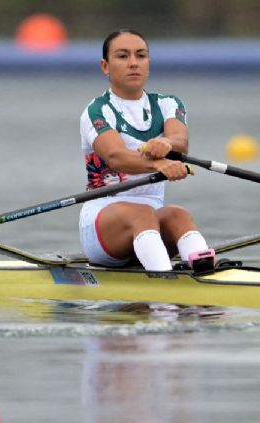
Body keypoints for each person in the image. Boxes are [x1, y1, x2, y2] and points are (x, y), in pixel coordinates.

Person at [79, 29, 213, 272]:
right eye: (122, 56)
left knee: (177, 215)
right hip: (102, 226)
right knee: (141, 213)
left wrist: (167, 144)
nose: (133, 63)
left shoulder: (168, 103)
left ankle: (206, 273)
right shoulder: (97, 111)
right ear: (105, 66)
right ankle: (164, 280)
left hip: (151, 219)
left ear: (148, 63)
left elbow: (180, 140)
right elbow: (115, 156)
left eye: (141, 55)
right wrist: (157, 164)